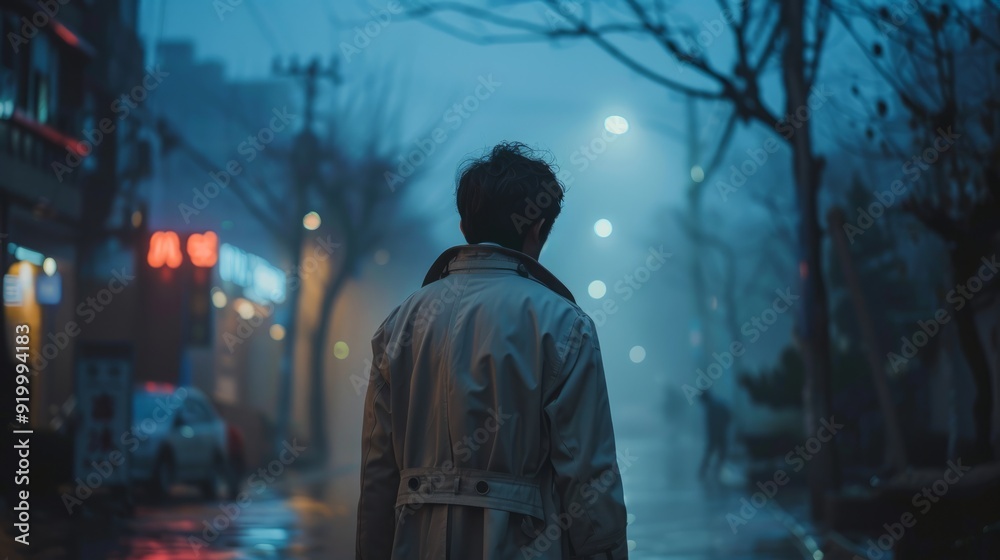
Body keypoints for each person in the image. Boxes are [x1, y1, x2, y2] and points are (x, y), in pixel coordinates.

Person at [356, 142, 629, 559]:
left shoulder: (401, 323)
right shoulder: (564, 325)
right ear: (537, 227)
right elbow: (588, 478)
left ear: (466, 228)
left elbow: (378, 475)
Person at [697, 391, 731, 480]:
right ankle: (714, 472)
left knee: (711, 454)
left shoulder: (712, 407)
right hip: (720, 433)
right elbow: (729, 417)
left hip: (716, 434)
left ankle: (707, 472)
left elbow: (711, 424)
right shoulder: (718, 404)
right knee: (720, 454)